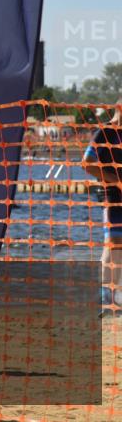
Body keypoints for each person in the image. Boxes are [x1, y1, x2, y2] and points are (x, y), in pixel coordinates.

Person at [83, 99, 122, 313]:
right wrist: (115, 180)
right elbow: (87, 163)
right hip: (111, 195)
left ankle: (115, 297)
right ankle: (105, 298)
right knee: (113, 243)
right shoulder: (104, 133)